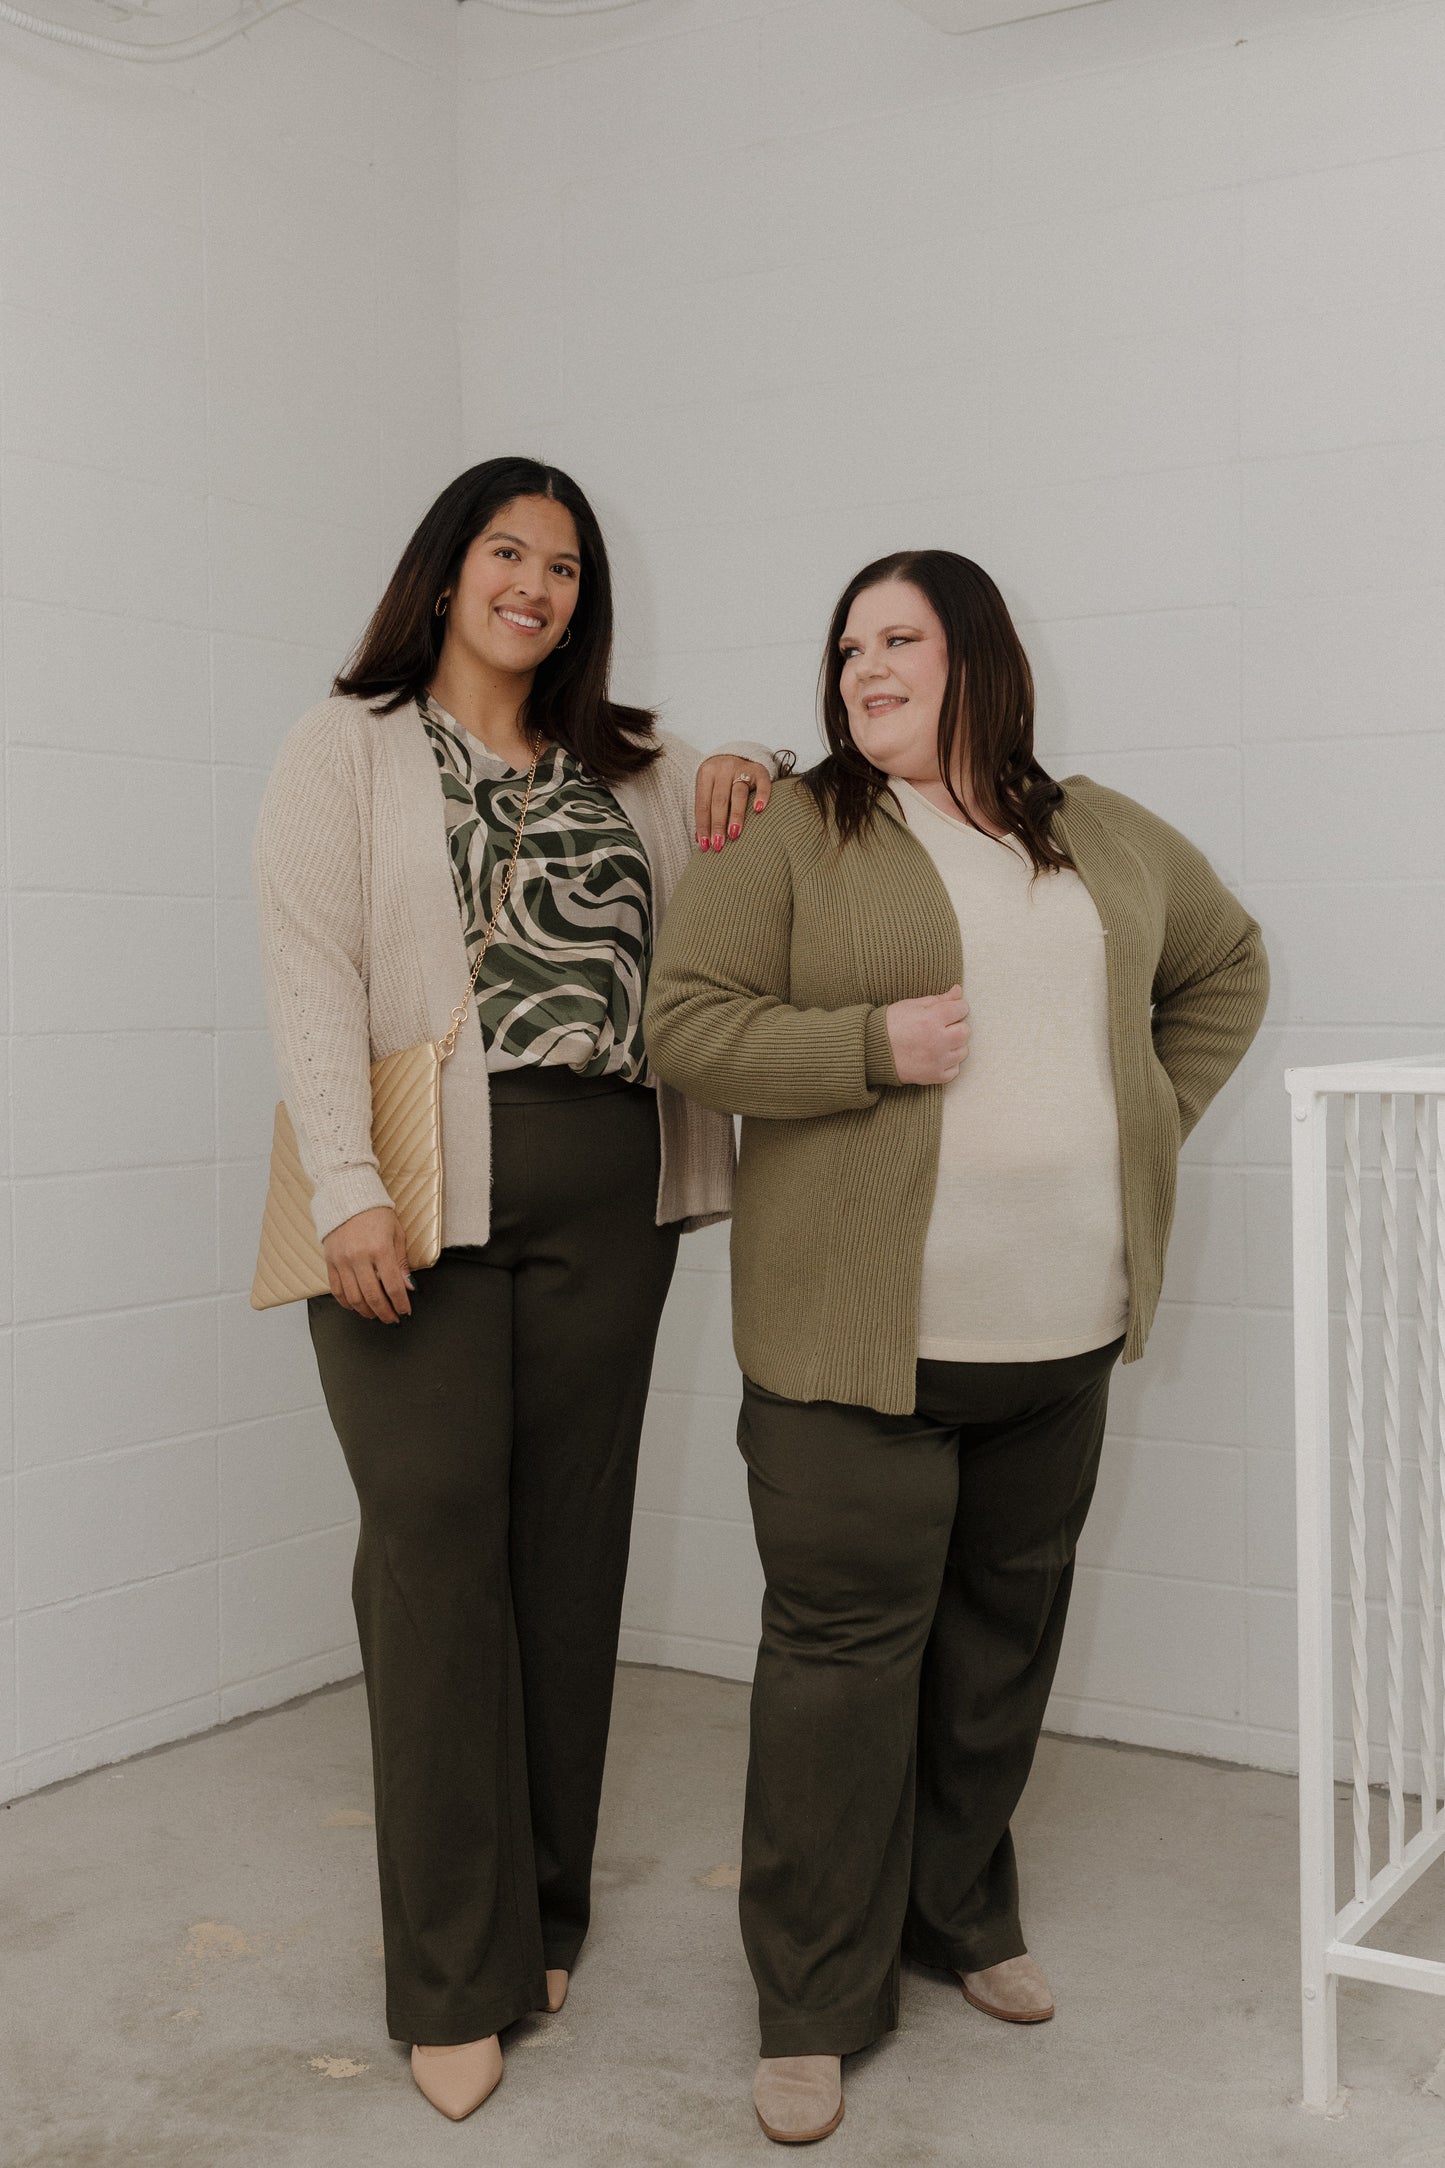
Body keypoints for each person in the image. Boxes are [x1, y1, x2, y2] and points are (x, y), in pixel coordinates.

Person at [644, 548, 1268, 2145]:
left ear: (978, 656)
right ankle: (809, 2001)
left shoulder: (1101, 834)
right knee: (841, 1675)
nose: (863, 667)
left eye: (898, 638)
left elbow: (1225, 964)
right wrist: (865, 1046)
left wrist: (1148, 1116)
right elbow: (686, 1025)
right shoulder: (794, 830)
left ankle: (959, 1918)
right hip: (855, 1359)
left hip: (1057, 1341)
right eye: (847, 646)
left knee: (996, 1655)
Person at [254, 457, 779, 2121]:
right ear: (445, 569)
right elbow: (308, 963)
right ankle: (449, 1970)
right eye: (506, 552)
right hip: (407, 1183)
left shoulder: (642, 766)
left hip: (607, 1189)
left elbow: (747, 871)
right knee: (427, 1558)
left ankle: (545, 1908)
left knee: (565, 1557)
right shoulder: (347, 742)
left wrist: (752, 773)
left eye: (563, 565)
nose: (535, 586)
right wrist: (346, 1188)